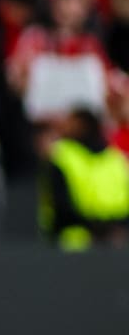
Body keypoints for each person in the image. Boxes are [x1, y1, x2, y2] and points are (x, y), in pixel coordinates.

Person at [39, 107, 129, 250]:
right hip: (92, 242)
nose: (64, 127)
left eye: (70, 122)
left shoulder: (61, 155)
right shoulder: (116, 159)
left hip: (84, 245)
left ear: (81, 124)